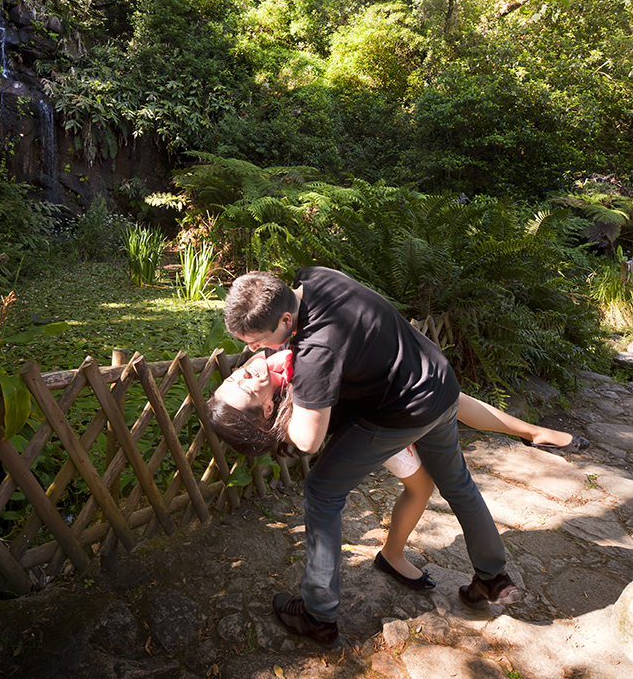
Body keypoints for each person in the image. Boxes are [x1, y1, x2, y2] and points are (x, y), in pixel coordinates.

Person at [209, 267, 524, 649]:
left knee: (322, 493)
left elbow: (308, 440)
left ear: (286, 320)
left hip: (404, 411)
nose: (258, 350)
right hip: (438, 384)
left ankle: (318, 616)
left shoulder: (314, 352)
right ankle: (492, 578)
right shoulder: (317, 277)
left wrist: (272, 423)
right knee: (458, 484)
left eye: (260, 339)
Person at [221, 347, 590, 591]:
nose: (245, 373)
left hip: (398, 403)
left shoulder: (273, 362)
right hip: (381, 424)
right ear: (267, 409)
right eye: (246, 386)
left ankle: (532, 432)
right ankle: (393, 555)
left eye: (234, 375)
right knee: (423, 485)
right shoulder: (294, 395)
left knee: (448, 404)